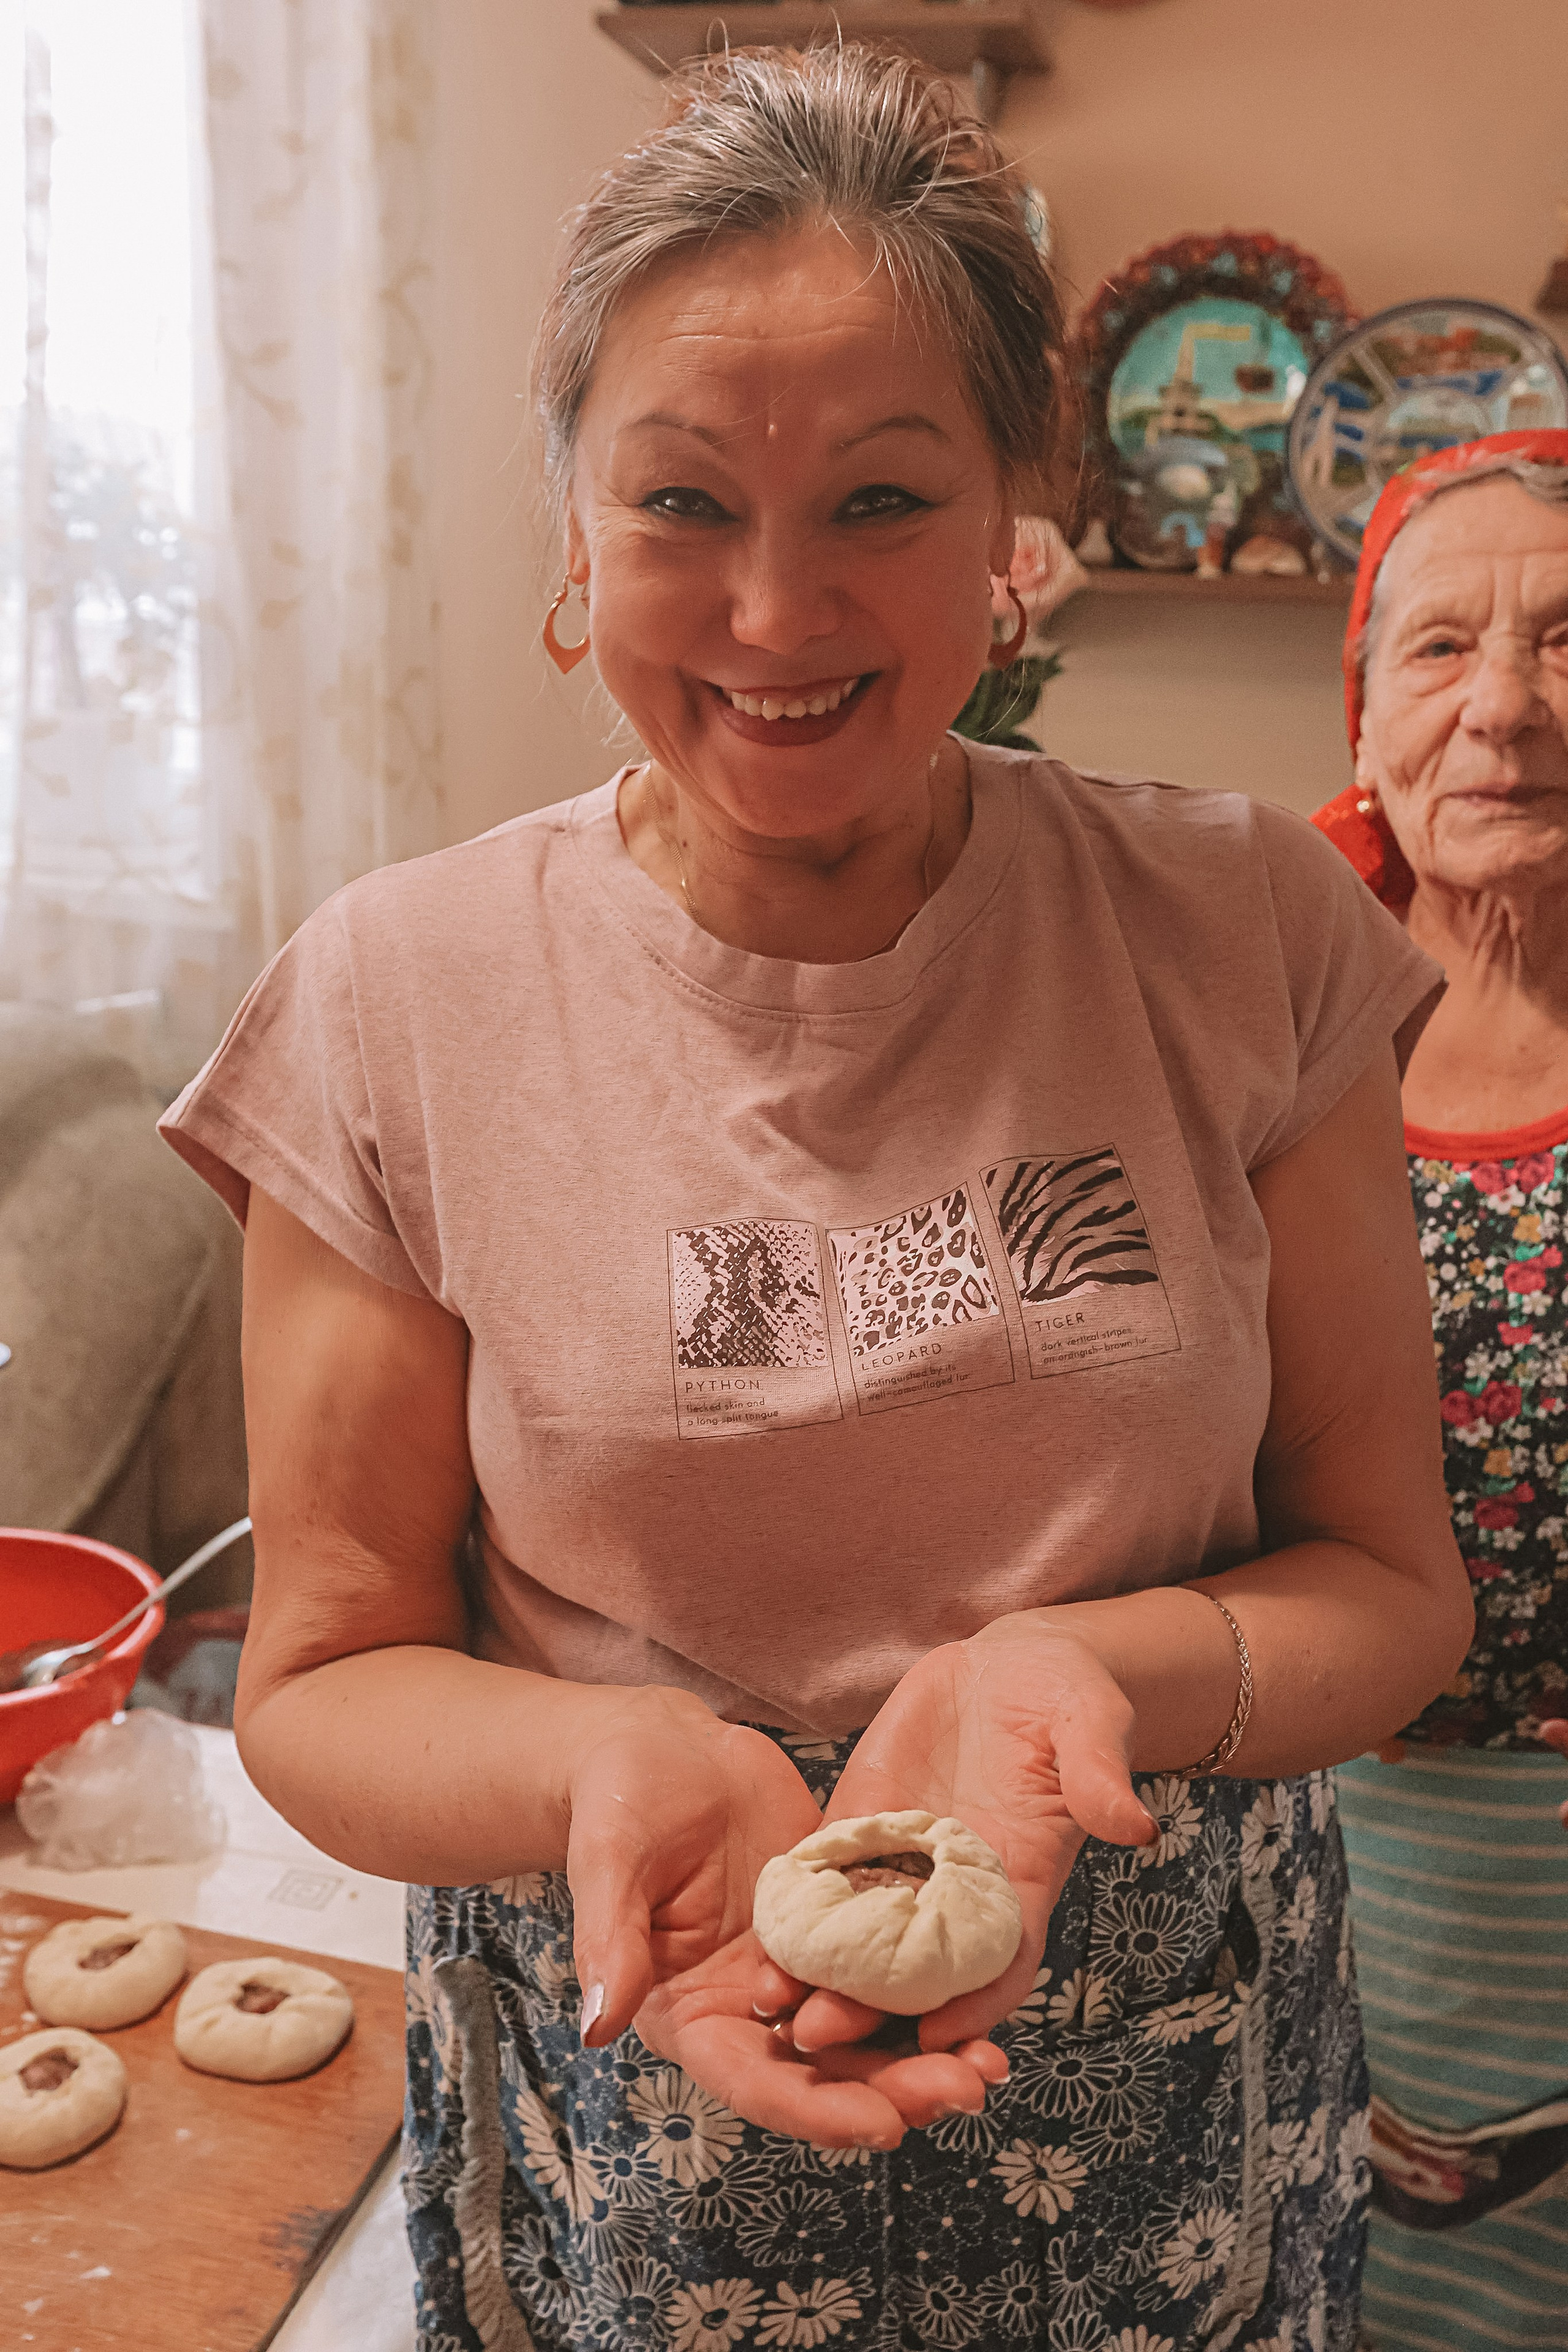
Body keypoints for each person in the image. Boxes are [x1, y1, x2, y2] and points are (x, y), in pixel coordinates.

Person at [160, 46, 1470, 2352]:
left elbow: (1390, 1581)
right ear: (572, 531)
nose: (779, 613)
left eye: (880, 500)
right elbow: (326, 1678)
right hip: (633, 2081)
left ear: (1012, 525)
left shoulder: (1242, 923)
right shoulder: (395, 998)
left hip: (1176, 2085)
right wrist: (615, 1760)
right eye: (680, 504)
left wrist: (1080, 1672)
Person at [1314, 431, 1568, 2352]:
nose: (1502, 709)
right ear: (1366, 705)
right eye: (1442, 650)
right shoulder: (1260, 1004)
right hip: (1291, 1829)